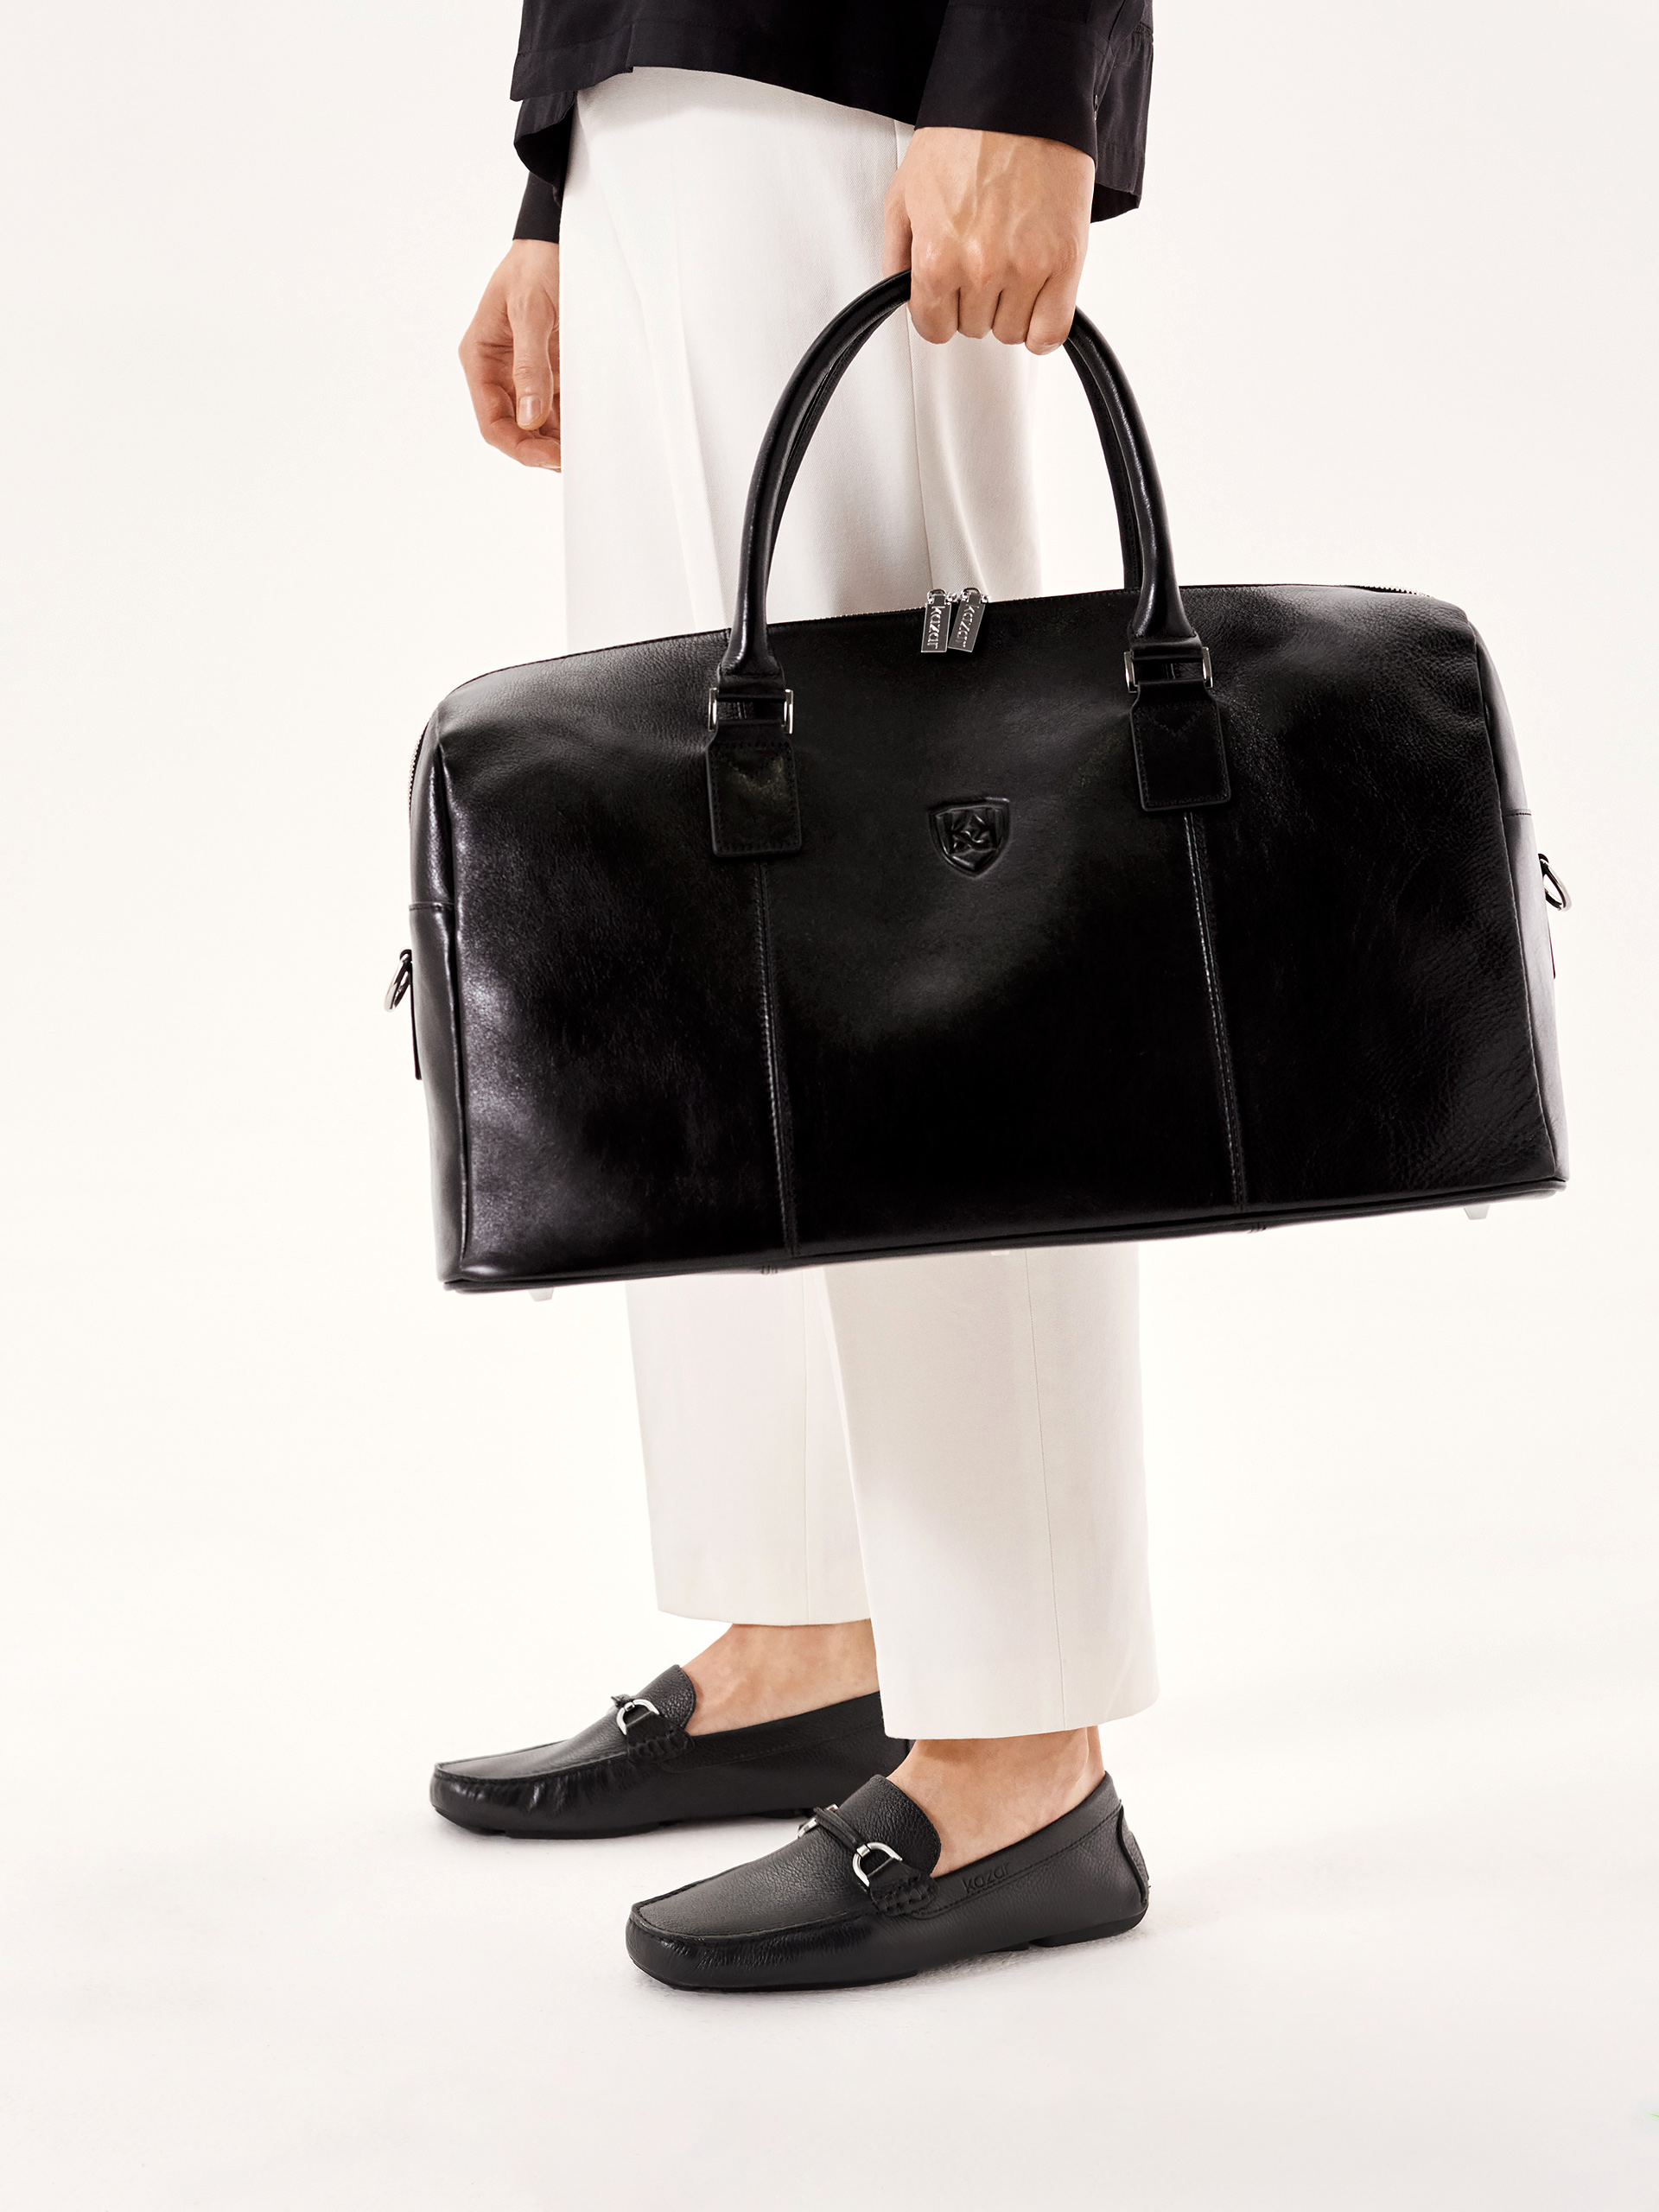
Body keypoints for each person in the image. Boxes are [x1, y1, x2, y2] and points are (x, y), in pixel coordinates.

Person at [437, 2, 1160, 1991]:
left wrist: (1025, 72)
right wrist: (563, 176)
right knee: (713, 910)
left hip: (871, 88)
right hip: (655, 94)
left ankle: (1022, 1735)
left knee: (937, 898)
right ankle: (813, 1625)